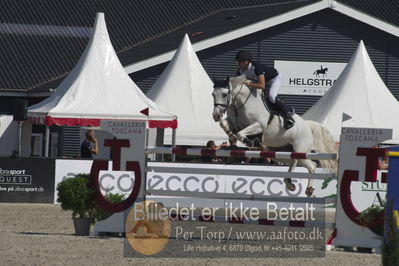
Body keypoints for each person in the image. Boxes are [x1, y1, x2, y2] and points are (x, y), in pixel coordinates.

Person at [235, 50, 295, 130]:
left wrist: (248, 84)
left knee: (272, 96)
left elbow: (262, 85)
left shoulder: (256, 67)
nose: (238, 63)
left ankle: (288, 113)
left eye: (239, 62)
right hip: (261, 82)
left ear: (246, 62)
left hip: (273, 79)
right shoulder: (240, 71)